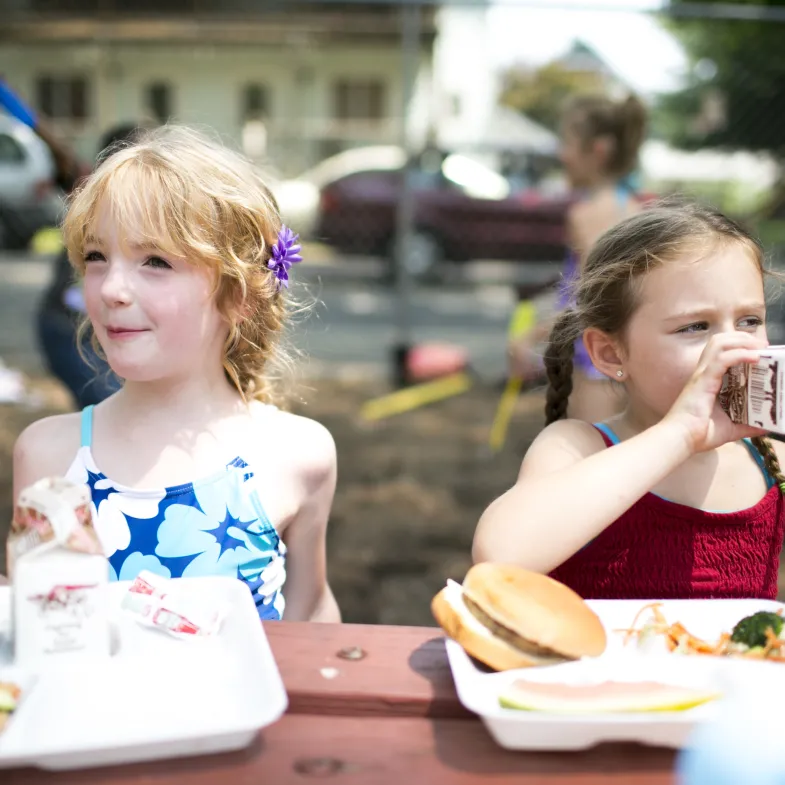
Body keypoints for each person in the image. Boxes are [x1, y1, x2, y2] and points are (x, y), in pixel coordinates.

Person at [12, 125, 340, 622]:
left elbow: (311, 612)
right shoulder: (47, 457)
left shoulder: (296, 456)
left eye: (156, 261)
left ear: (240, 296)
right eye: (97, 257)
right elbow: (36, 631)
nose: (112, 289)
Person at [474, 198, 785, 600]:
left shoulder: (769, 460)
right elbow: (500, 555)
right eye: (695, 326)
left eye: (749, 321)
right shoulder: (577, 448)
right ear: (610, 353)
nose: (733, 346)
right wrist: (680, 433)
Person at [508, 93, 648, 423]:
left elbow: (591, 302)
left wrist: (527, 339)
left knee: (589, 458)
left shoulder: (587, 215)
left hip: (594, 362)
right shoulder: (634, 208)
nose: (562, 154)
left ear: (598, 150)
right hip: (620, 359)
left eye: (568, 143)